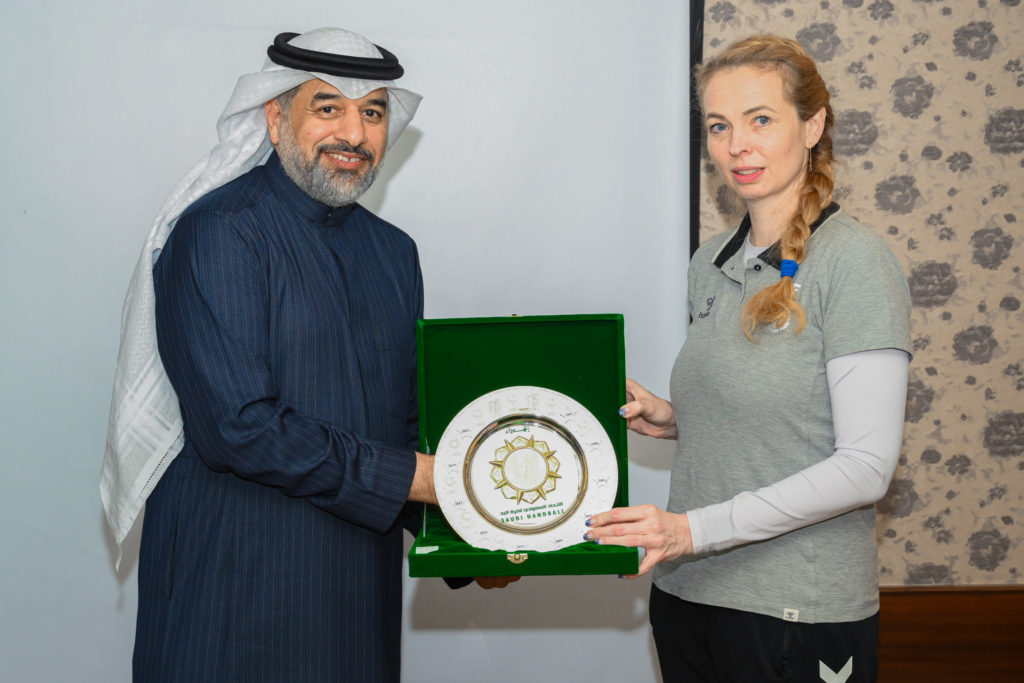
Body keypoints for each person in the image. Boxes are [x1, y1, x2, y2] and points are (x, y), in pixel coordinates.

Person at [100, 28, 508, 682]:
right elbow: (239, 428)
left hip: (358, 598)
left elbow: (404, 428)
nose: (354, 133)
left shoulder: (393, 252)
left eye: (372, 112)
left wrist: (470, 538)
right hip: (235, 590)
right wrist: (425, 478)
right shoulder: (219, 231)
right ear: (274, 117)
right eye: (328, 108)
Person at [585, 35, 911, 682]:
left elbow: (866, 468)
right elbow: (784, 413)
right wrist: (677, 416)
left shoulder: (855, 263)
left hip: (794, 610)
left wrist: (692, 530)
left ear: (812, 125)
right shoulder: (710, 261)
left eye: (760, 119)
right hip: (687, 595)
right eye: (719, 126)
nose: (737, 145)